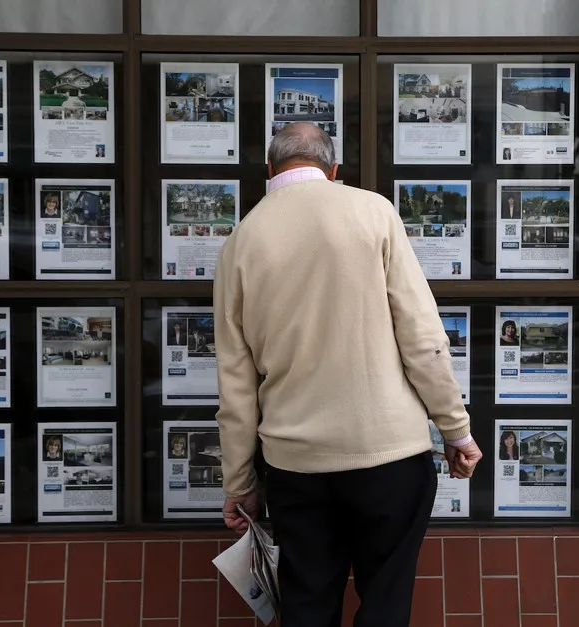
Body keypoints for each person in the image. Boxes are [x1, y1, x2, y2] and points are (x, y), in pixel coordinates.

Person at [213, 122, 483, 627]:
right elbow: (423, 339)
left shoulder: (239, 243)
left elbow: (235, 382)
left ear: (268, 170)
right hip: (389, 455)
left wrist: (240, 481)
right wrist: (455, 430)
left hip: (295, 464)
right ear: (333, 170)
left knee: (307, 604)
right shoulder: (373, 212)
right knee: (386, 600)